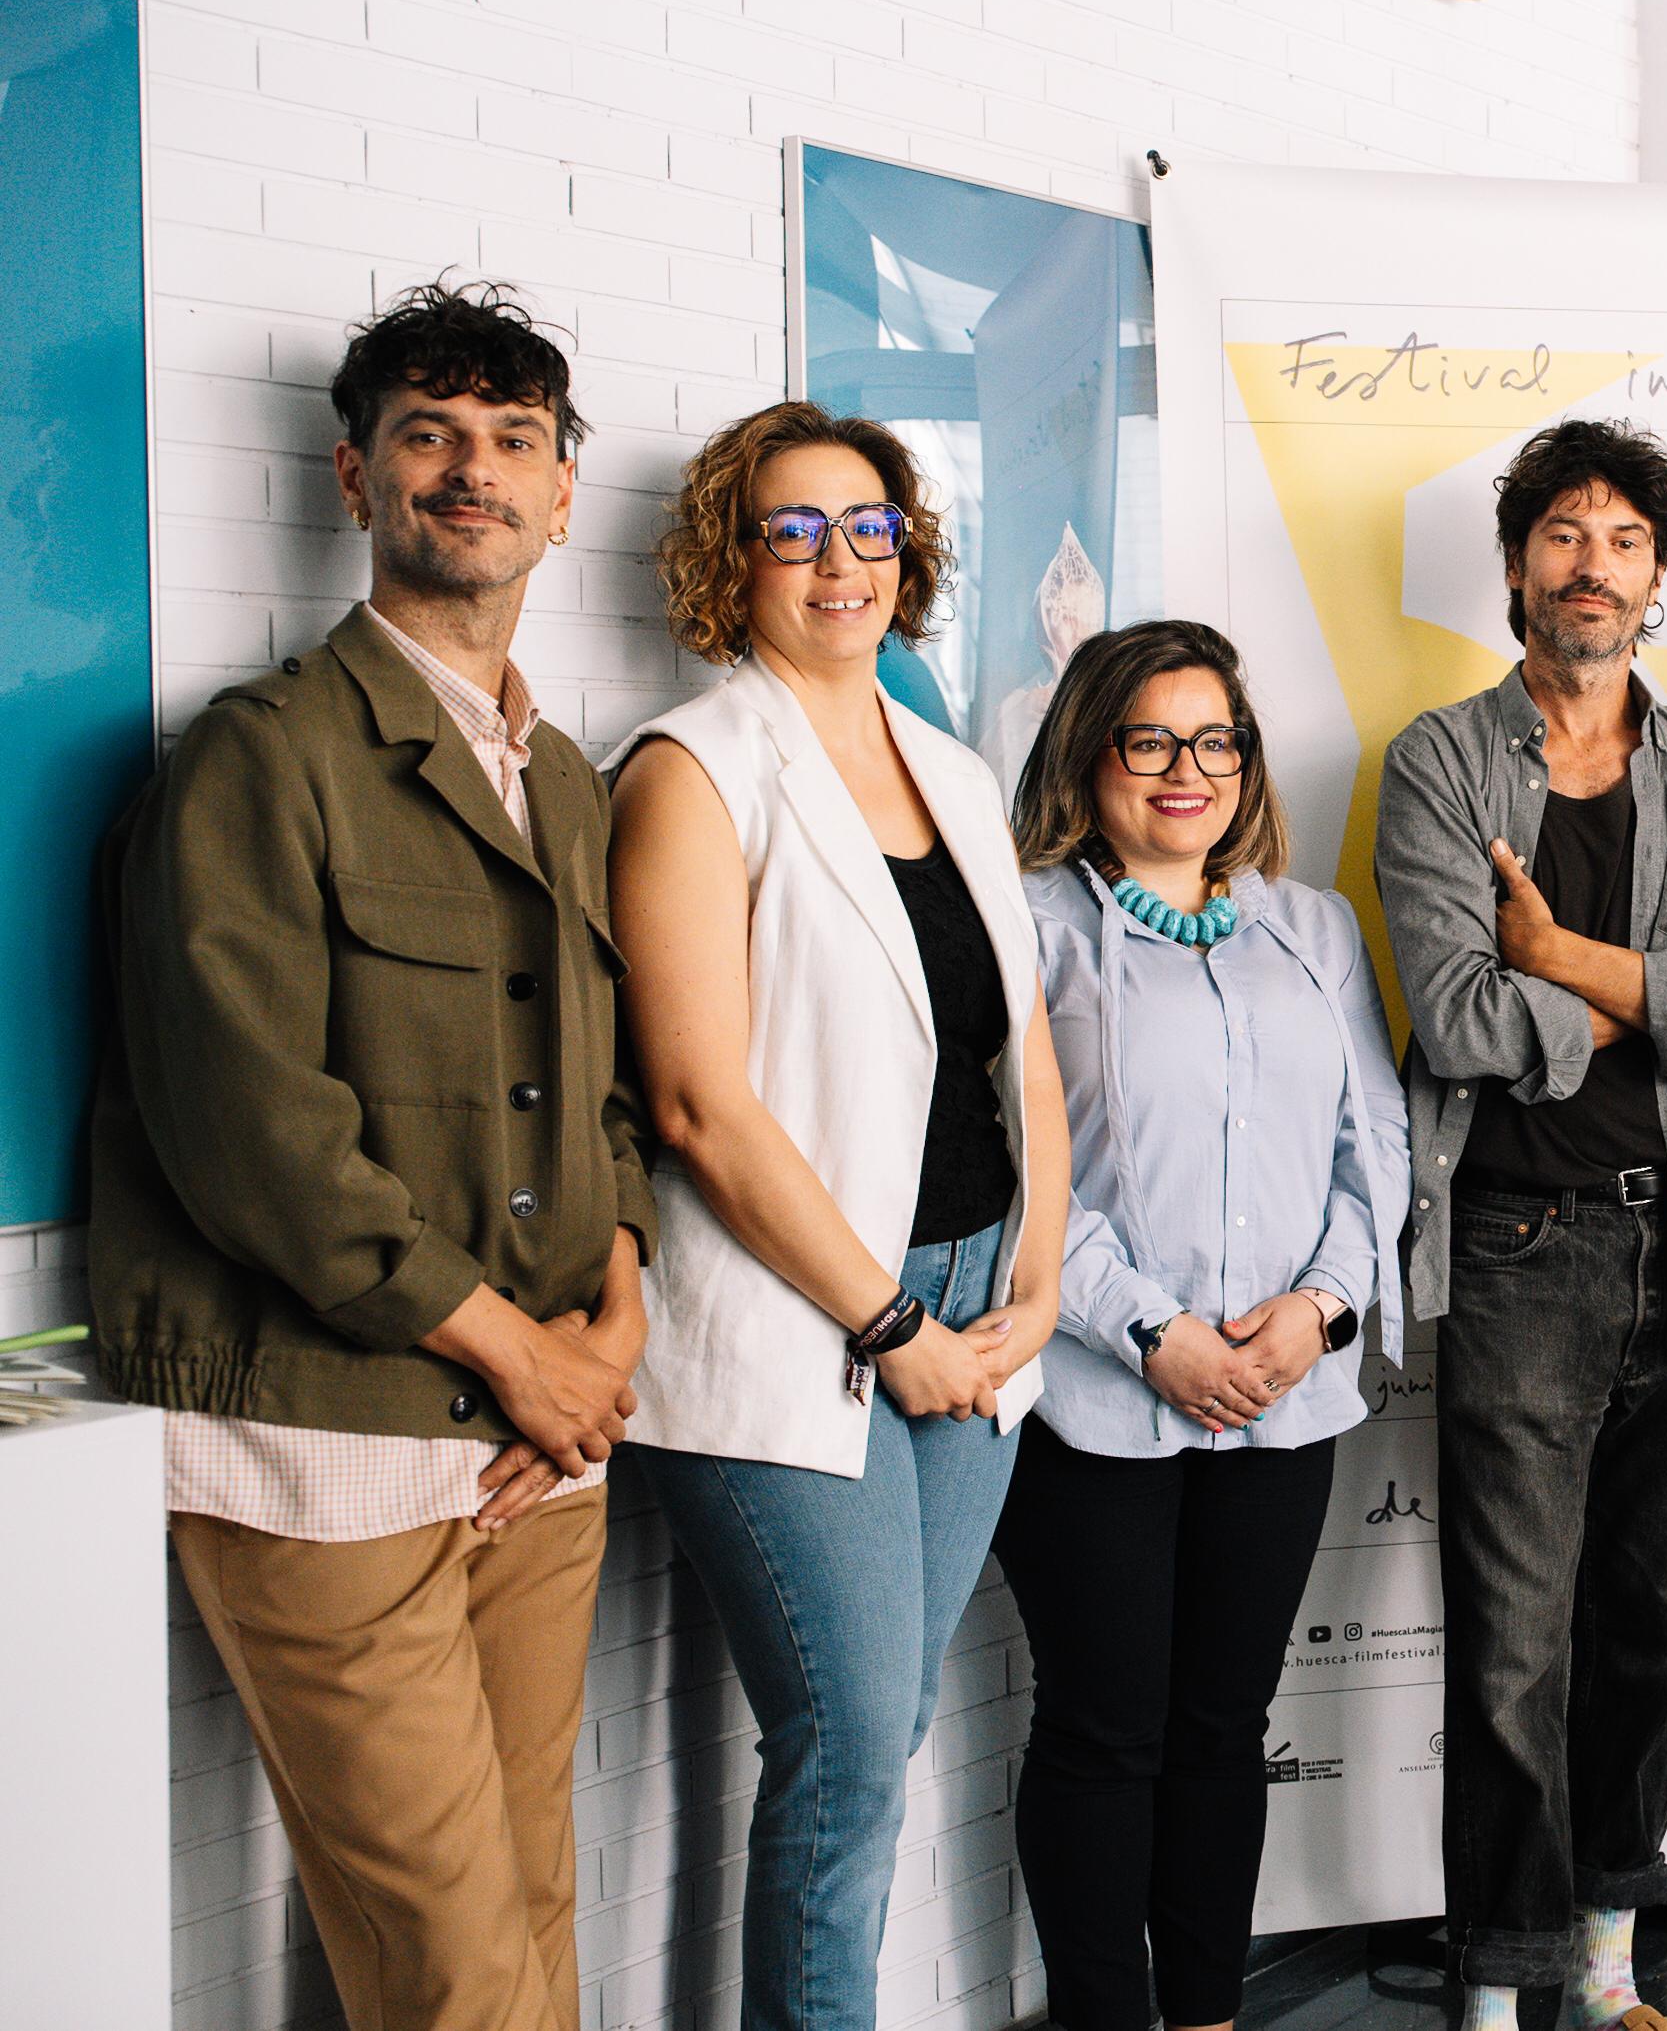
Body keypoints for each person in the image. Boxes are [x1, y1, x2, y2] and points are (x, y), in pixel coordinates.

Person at [89, 280, 655, 2031]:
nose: (469, 473)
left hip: (545, 1437)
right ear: (355, 477)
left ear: (564, 492)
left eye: (510, 443)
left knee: (534, 1905)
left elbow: (607, 1101)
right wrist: (515, 1350)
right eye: (427, 436)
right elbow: (255, 1131)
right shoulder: (260, 757)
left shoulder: (560, 779)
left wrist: (614, 1330)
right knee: (453, 1969)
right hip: (338, 1438)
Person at [607, 399, 1068, 2031]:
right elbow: (695, 1103)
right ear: (733, 561)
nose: (839, 559)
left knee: (878, 1742)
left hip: (977, 1312)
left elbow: (1025, 1048)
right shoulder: (687, 767)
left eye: (868, 525)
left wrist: (1040, 1268)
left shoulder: (949, 771)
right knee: (852, 1747)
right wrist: (895, 1322)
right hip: (807, 1326)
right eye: (793, 528)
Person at [1374, 418, 1667, 2031]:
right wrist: (1642, 999)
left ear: (1658, 580)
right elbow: (1454, 1021)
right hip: (1515, 1247)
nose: (1592, 563)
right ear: (1514, 569)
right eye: (1562, 533)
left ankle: (1612, 1954)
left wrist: (1562, 957)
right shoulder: (1438, 759)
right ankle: (1502, 1982)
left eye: (1623, 539)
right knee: (1511, 1650)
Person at [992, 620, 1410, 2031]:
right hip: (1090, 1392)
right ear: (1089, 752)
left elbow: (1379, 1140)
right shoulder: (1027, 920)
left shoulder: (1315, 925)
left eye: (1215, 739)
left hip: (1287, 1397)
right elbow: (1018, 1162)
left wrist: (1320, 1306)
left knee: (1226, 1727)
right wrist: (1153, 1328)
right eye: (1151, 739)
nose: (1189, 769)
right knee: (1106, 1730)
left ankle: (1211, 2017)